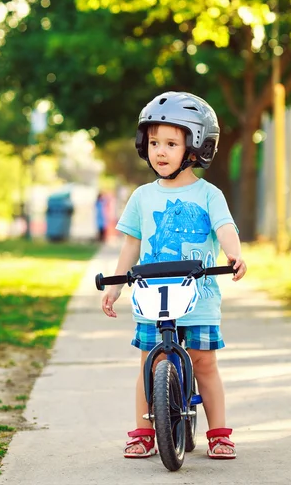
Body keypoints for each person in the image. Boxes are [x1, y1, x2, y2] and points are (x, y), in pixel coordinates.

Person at [101, 91, 247, 460]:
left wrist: (234, 253)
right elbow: (131, 246)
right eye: (153, 143)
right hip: (152, 295)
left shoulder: (209, 194)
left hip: (198, 296)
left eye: (170, 143)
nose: (159, 151)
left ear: (195, 147)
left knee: (204, 362)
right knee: (150, 363)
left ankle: (219, 433)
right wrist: (117, 285)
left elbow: (226, 227)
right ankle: (142, 433)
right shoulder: (141, 197)